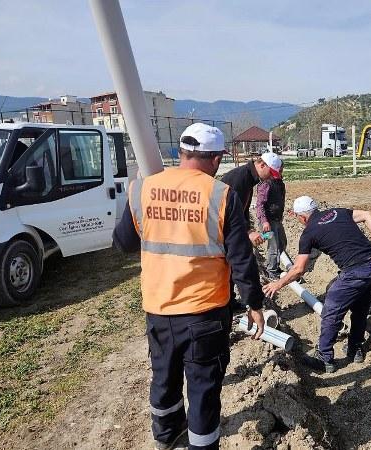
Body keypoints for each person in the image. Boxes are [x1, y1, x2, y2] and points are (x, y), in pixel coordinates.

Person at [113, 123, 265, 450]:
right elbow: (241, 260)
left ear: (181, 153)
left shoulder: (143, 188)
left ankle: (166, 439)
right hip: (204, 314)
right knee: (203, 390)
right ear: (216, 159)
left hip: (158, 311)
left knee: (164, 380)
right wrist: (254, 305)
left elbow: (123, 243)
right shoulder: (222, 195)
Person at [263, 196, 371, 374]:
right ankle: (354, 349)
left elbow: (298, 269)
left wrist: (278, 283)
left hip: (355, 273)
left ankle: (324, 358)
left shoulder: (309, 232)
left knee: (331, 311)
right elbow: (367, 214)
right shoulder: (337, 212)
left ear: (302, 217)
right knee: (360, 309)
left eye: (298, 218)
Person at [221, 151, 282, 310]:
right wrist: (247, 233)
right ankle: (228, 303)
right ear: (262, 165)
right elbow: (230, 212)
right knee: (231, 265)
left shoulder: (249, 178)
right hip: (222, 228)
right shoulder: (240, 179)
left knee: (232, 267)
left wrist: (248, 229)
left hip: (229, 228)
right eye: (270, 173)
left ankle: (230, 301)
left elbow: (243, 210)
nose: (270, 178)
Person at [256, 165, 287, 280]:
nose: (281, 171)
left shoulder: (279, 183)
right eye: (280, 169)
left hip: (276, 220)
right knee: (273, 247)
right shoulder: (266, 184)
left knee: (282, 243)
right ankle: (271, 271)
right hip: (268, 222)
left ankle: (275, 266)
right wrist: (264, 222)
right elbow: (260, 205)